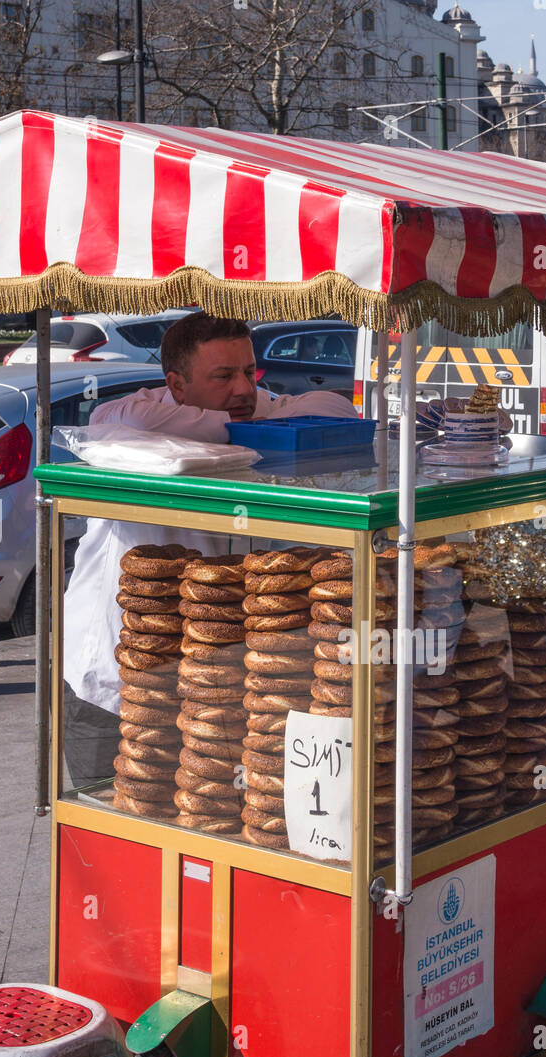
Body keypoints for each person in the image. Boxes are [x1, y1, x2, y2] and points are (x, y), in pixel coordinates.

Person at [63, 312, 358, 786]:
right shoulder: (135, 422)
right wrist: (249, 430)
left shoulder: (256, 406)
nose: (242, 390)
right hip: (119, 685)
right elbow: (115, 417)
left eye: (248, 372)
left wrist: (249, 424)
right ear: (176, 384)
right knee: (117, 824)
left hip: (219, 685)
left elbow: (337, 409)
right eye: (223, 376)